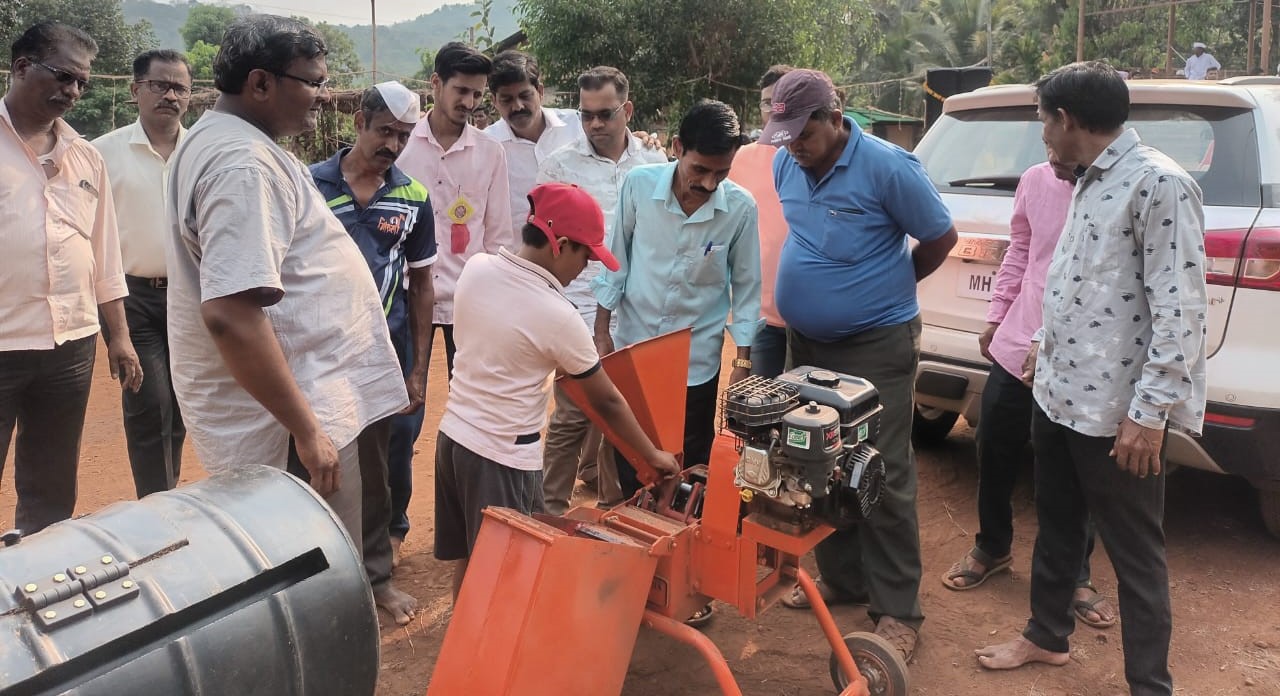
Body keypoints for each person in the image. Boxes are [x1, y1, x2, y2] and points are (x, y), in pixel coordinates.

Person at [976, 61, 1207, 696]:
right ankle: (1046, 637)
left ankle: (1150, 686)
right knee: (1057, 524)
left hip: (1116, 413)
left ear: (1067, 119)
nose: (1042, 135)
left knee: (1135, 554)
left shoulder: (1159, 184)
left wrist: (1148, 415)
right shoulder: (1086, 178)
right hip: (1057, 393)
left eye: (1043, 121)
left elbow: (1181, 312)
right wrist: (1042, 346)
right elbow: (1079, 278)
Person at [165, 15, 407, 557]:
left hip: (302, 401)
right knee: (321, 566)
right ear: (260, 83)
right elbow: (232, 314)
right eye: (313, 82)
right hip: (290, 421)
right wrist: (307, 430)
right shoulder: (241, 165)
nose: (322, 96)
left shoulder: (231, 144)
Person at [765, 68, 958, 665]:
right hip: (806, 343)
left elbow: (941, 237)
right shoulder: (784, 164)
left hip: (876, 345)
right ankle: (844, 579)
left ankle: (898, 610)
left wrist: (885, 288)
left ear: (835, 116)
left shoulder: (888, 168)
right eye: (786, 136)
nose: (795, 147)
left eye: (804, 134)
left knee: (881, 470)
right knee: (813, 458)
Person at [435, 182, 680, 599]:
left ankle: (463, 633)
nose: (585, 269)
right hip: (502, 456)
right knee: (506, 577)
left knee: (473, 560)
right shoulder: (558, 314)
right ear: (560, 245)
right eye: (585, 256)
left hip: (454, 439)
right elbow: (605, 400)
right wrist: (653, 455)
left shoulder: (476, 268)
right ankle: (492, 642)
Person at [940, 147, 1117, 630]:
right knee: (993, 439)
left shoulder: (1117, 188)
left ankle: (1077, 574)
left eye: (1057, 134)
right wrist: (997, 314)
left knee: (1074, 465)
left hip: (1080, 352)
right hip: (1019, 338)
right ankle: (992, 546)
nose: (1051, 150)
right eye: (1045, 137)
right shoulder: (1036, 181)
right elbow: (1021, 249)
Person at [0, 22, 142, 534]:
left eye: (82, 81)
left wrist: (119, 337)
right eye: (64, 76)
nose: (74, 91)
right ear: (21, 67)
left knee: (53, 484)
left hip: (71, 346)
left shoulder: (85, 155)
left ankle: (41, 572)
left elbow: (104, 252)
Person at [310, 81, 435, 625]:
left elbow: (423, 285)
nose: (393, 145)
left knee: (377, 466)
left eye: (404, 136)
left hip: (381, 352)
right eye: (385, 131)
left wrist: (418, 369)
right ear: (359, 122)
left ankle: (375, 577)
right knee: (311, 461)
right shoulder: (308, 185)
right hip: (315, 352)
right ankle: (317, 579)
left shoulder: (414, 198)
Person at [593, 99, 761, 494]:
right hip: (635, 349)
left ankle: (682, 528)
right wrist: (602, 332)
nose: (709, 184)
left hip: (695, 363)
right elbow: (616, 261)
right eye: (699, 170)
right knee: (632, 459)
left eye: (721, 173)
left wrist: (741, 361)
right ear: (677, 147)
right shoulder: (638, 186)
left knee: (690, 467)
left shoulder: (740, 209)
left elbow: (747, 287)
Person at [536, 65, 668, 513]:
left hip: (634, 310)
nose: (594, 124)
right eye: (586, 114)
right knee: (573, 412)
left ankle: (614, 507)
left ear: (627, 111)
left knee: (623, 410)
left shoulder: (655, 164)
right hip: (574, 305)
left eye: (605, 114)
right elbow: (545, 241)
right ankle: (550, 508)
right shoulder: (559, 166)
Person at [91, 49, 191, 499]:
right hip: (131, 298)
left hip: (190, 296)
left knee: (183, 404)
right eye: (159, 85)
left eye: (179, 88)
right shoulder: (101, 154)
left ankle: (166, 494)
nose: (170, 95)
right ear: (135, 90)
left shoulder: (200, 152)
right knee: (149, 404)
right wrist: (114, 330)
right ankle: (157, 507)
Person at [398, 42, 511, 380]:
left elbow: (498, 237)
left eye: (476, 94)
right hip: (405, 296)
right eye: (461, 90)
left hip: (468, 301)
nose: (469, 103)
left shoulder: (491, 153)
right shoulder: (402, 146)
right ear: (436, 83)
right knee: (404, 401)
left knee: (470, 399)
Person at [727, 64, 793, 379]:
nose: (774, 111)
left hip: (813, 320)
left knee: (811, 404)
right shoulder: (741, 159)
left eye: (781, 102)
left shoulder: (818, 158)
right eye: (767, 103)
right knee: (757, 402)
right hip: (761, 317)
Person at [485, 50, 582, 239]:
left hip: (578, 252)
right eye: (507, 99)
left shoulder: (577, 126)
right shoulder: (487, 146)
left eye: (525, 95)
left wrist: (640, 139)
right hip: (517, 255)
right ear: (494, 101)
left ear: (540, 91)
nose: (518, 106)